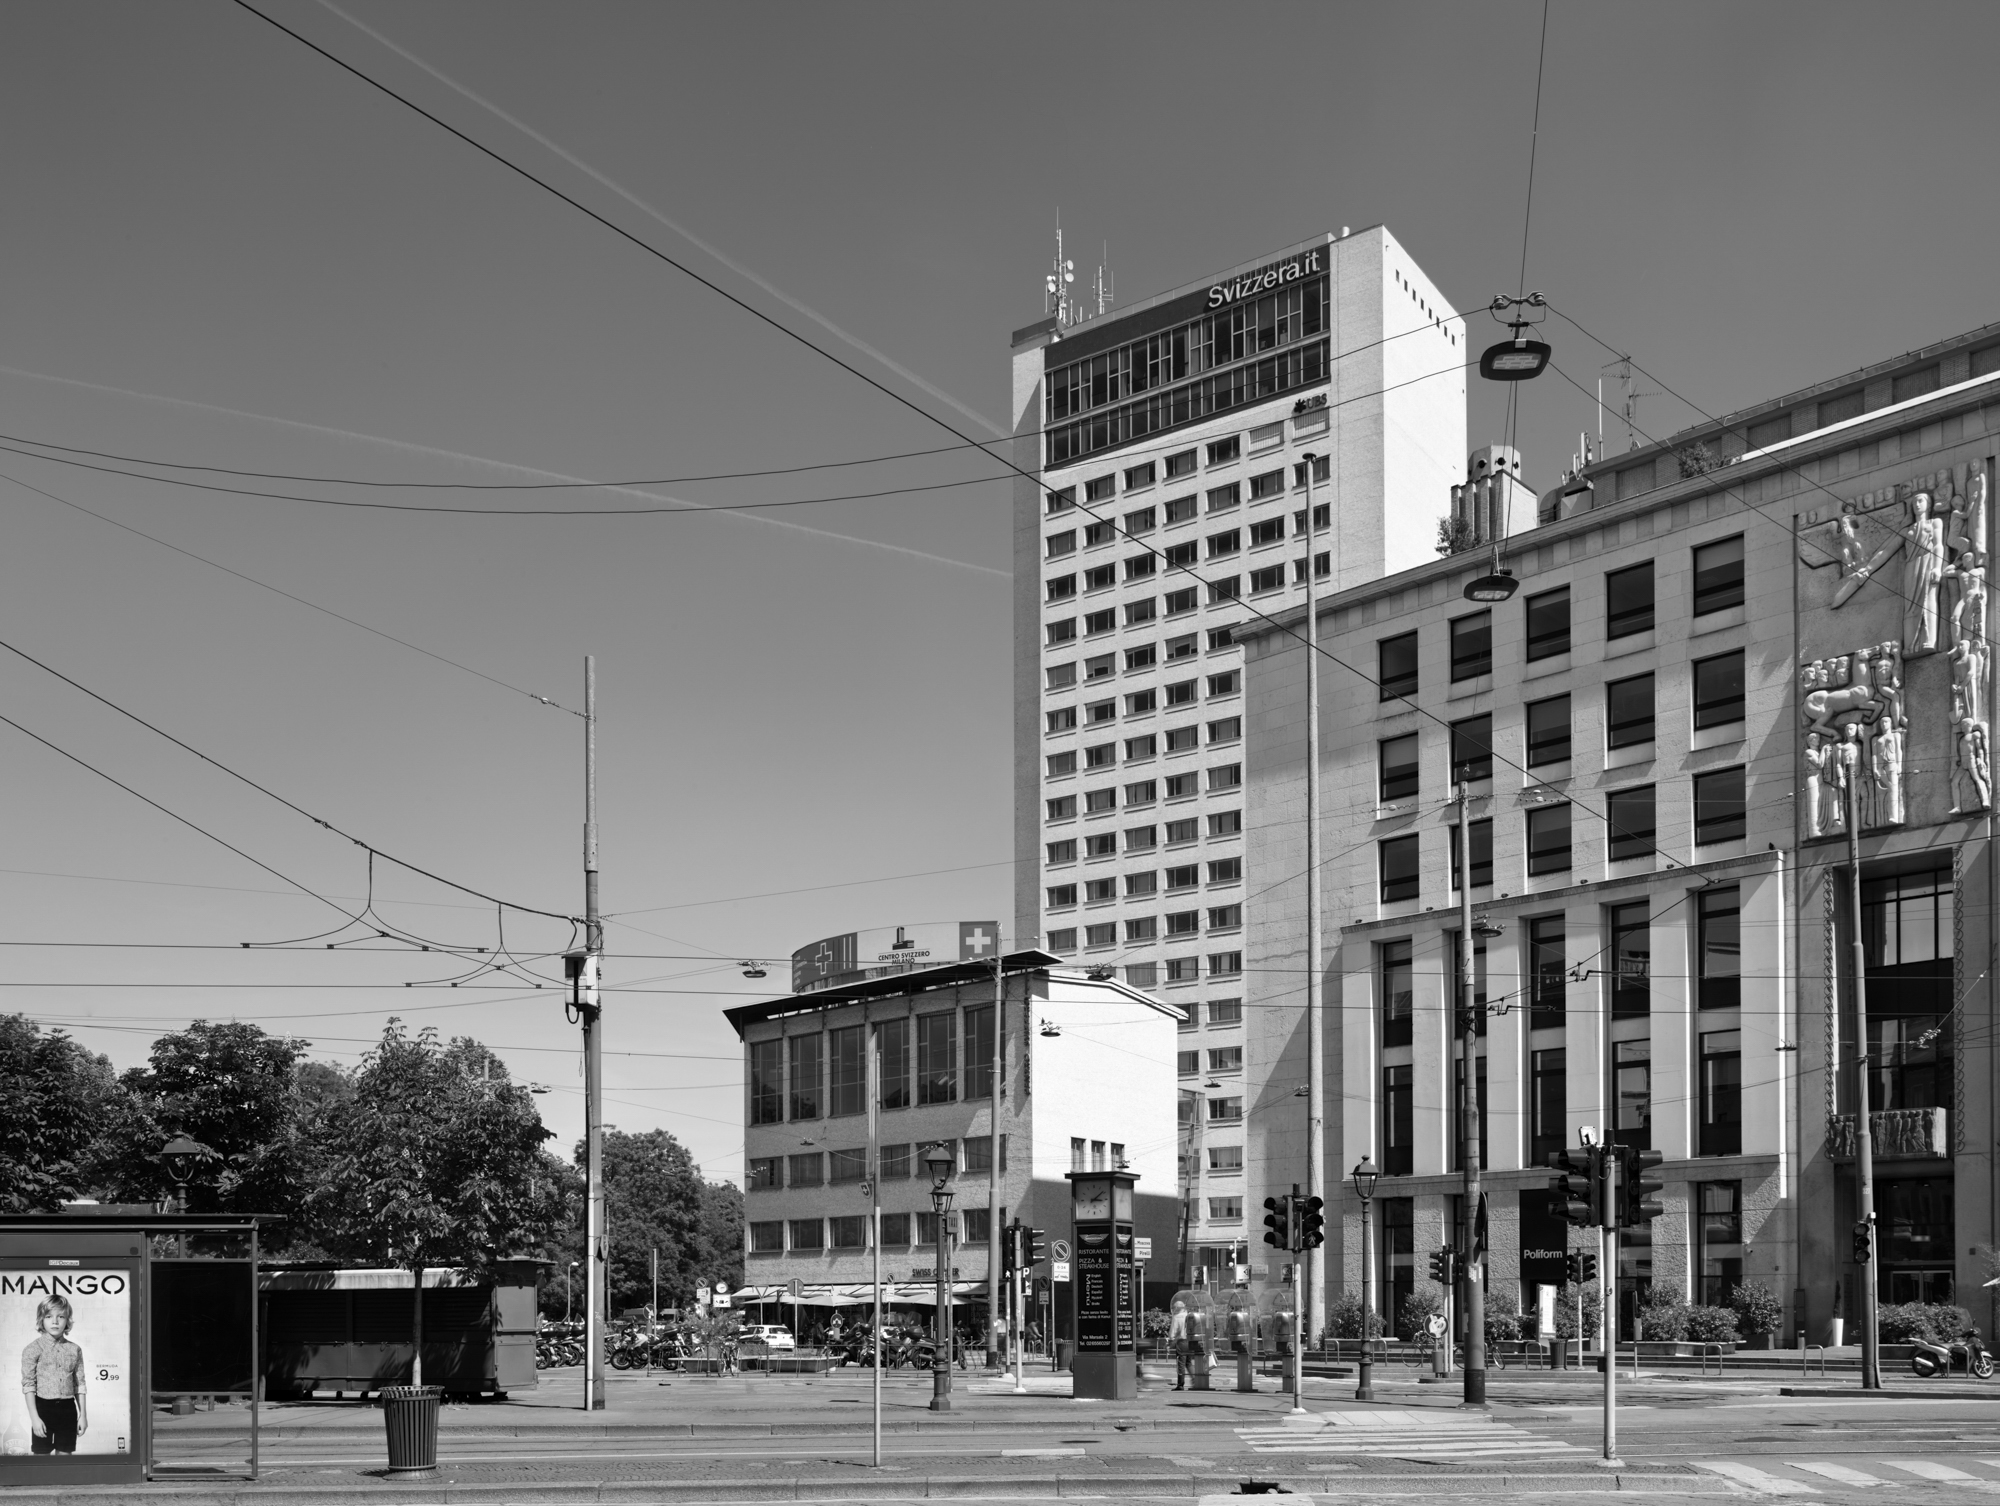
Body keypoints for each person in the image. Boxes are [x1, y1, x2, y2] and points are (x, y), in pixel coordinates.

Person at [20, 1295, 87, 1456]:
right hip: (43, 1409)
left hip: (68, 1410)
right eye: (49, 1317)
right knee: (41, 1457)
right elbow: (28, 1385)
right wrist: (34, 1418)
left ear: (67, 1320)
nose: (55, 1321)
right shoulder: (32, 1349)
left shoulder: (74, 1349)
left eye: (61, 1317)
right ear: (41, 1320)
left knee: (65, 1457)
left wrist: (82, 1415)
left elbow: (80, 1385)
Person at [1170, 1299, 1191, 1390]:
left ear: (1177, 1308)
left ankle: (1180, 1384)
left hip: (1181, 1342)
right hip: (1190, 1341)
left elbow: (1173, 1332)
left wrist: (1170, 1341)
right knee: (1189, 1363)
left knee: (1181, 1364)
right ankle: (1195, 1380)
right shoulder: (1189, 1315)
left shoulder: (1176, 1317)